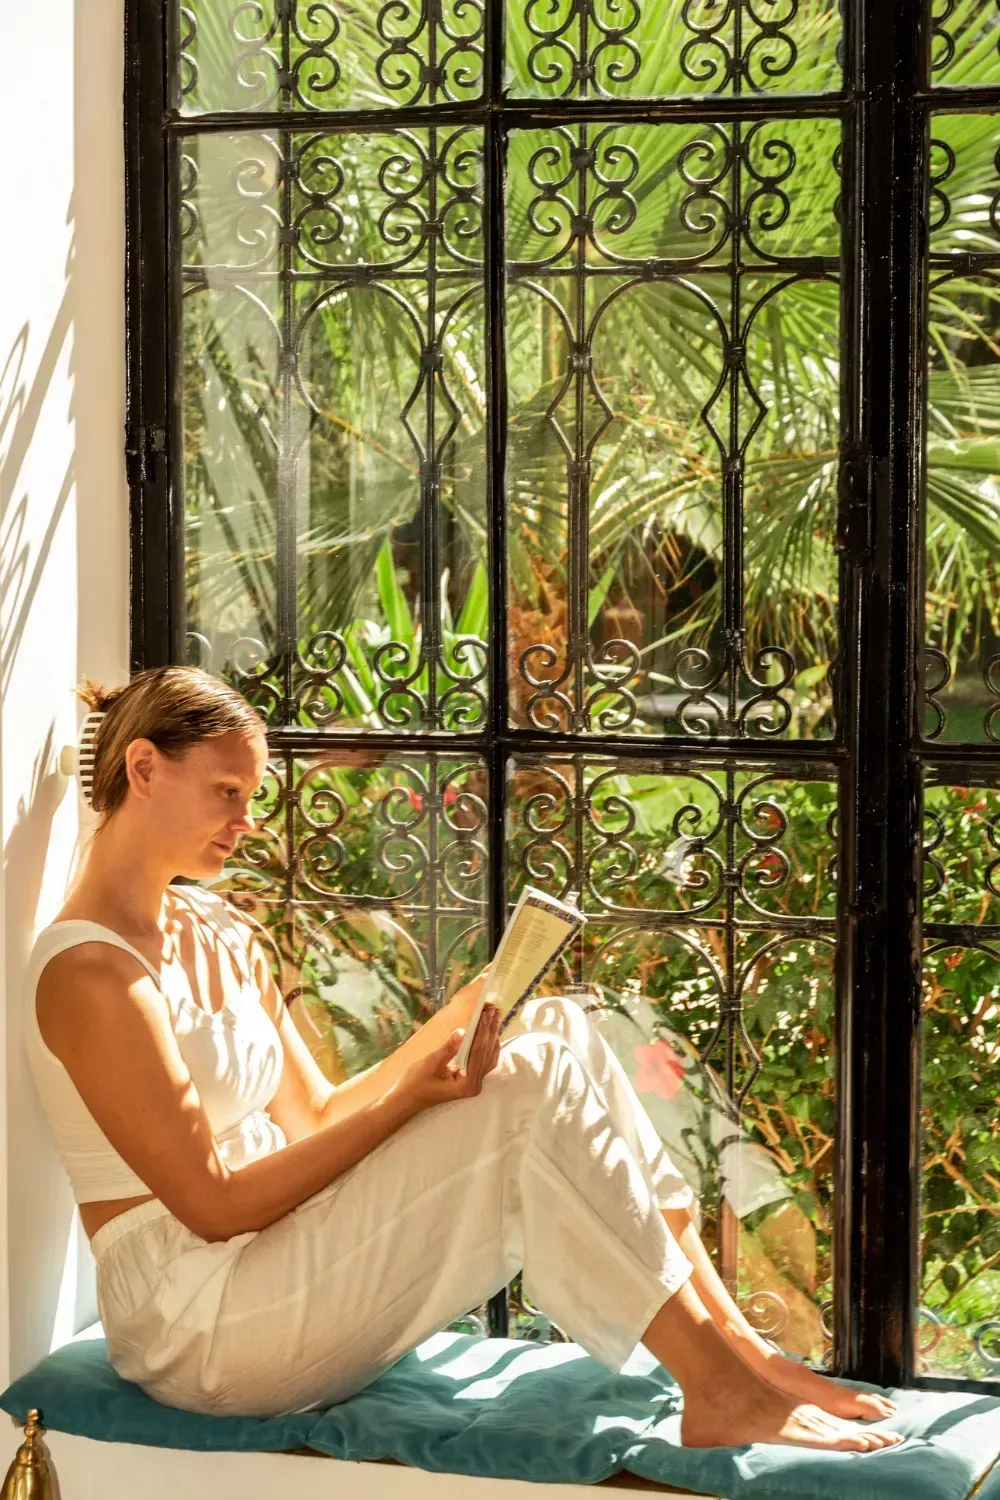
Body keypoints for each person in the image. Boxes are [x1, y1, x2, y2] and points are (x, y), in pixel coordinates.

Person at [25, 667, 901, 1453]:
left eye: (250, 796)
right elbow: (213, 1207)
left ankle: (738, 1355)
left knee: (553, 1030)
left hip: (284, 1262)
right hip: (201, 1325)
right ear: (143, 770)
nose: (246, 822)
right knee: (531, 1083)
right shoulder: (90, 971)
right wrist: (413, 1102)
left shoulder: (218, 930)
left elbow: (319, 1117)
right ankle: (717, 1387)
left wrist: (471, 1010)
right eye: (226, 792)